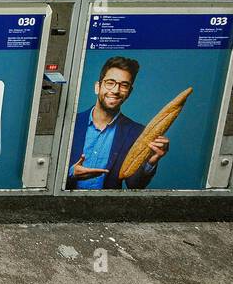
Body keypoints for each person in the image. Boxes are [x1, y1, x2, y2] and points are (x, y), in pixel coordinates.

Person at [65, 56, 170, 190]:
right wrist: (71, 173)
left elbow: (135, 185)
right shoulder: (69, 123)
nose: (115, 90)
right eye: (110, 82)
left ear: (129, 92)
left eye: (124, 85)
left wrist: (152, 160)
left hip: (109, 207)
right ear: (98, 87)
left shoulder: (137, 133)